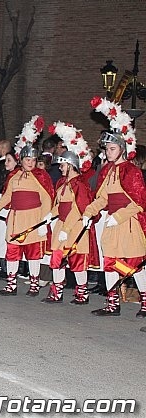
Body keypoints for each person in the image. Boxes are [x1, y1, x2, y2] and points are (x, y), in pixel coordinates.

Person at [82, 108, 146, 316]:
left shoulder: (131, 171)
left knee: (134, 264)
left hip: (128, 224)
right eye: (106, 149)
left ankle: (145, 303)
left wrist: (117, 217)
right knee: (109, 262)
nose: (107, 153)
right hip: (111, 224)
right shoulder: (107, 171)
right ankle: (112, 303)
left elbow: (139, 202)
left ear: (121, 148)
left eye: (111, 149)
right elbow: (102, 198)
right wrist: (88, 212)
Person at [0, 116, 54, 296]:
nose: (30, 163)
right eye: (27, 159)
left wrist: (43, 223)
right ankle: (11, 285)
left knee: (33, 255)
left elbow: (47, 199)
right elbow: (7, 196)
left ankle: (34, 285)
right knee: (12, 253)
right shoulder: (14, 177)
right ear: (21, 160)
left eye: (33, 159)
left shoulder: (42, 176)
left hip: (34, 220)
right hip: (16, 220)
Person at [41, 121, 98, 304]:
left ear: (71, 165)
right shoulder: (62, 184)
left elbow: (78, 208)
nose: (60, 168)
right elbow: (60, 204)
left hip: (75, 227)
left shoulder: (79, 184)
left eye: (63, 165)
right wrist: (51, 215)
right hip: (61, 226)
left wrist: (67, 227)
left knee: (77, 261)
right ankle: (56, 292)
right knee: (56, 257)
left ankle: (82, 293)